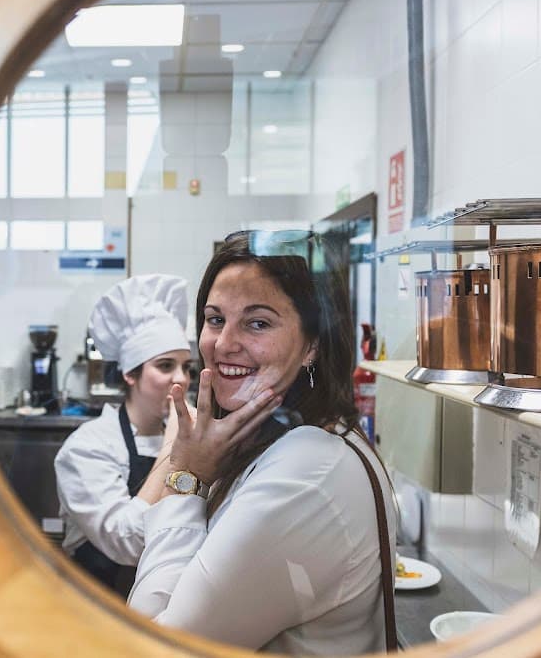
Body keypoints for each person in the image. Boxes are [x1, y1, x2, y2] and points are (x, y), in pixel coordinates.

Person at [127, 232, 397, 655]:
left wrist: (188, 477)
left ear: (312, 345)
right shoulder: (288, 440)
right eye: (215, 319)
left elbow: (152, 644)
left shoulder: (305, 473)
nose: (223, 344)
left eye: (258, 323)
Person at [54, 274, 194, 596]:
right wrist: (175, 445)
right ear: (130, 373)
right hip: (97, 610)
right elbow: (127, 542)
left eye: (186, 367)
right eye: (165, 366)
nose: (181, 379)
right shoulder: (88, 448)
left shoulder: (181, 438)